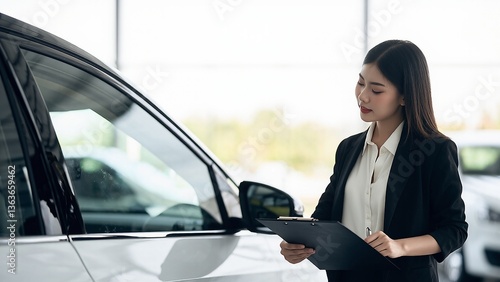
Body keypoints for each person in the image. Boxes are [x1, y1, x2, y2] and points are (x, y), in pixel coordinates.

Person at [279, 40, 468, 281]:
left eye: (376, 90)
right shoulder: (348, 149)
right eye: (360, 83)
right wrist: (300, 245)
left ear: (404, 97)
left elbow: (454, 229)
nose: (363, 96)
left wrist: (400, 246)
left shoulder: (435, 151)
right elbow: (325, 217)